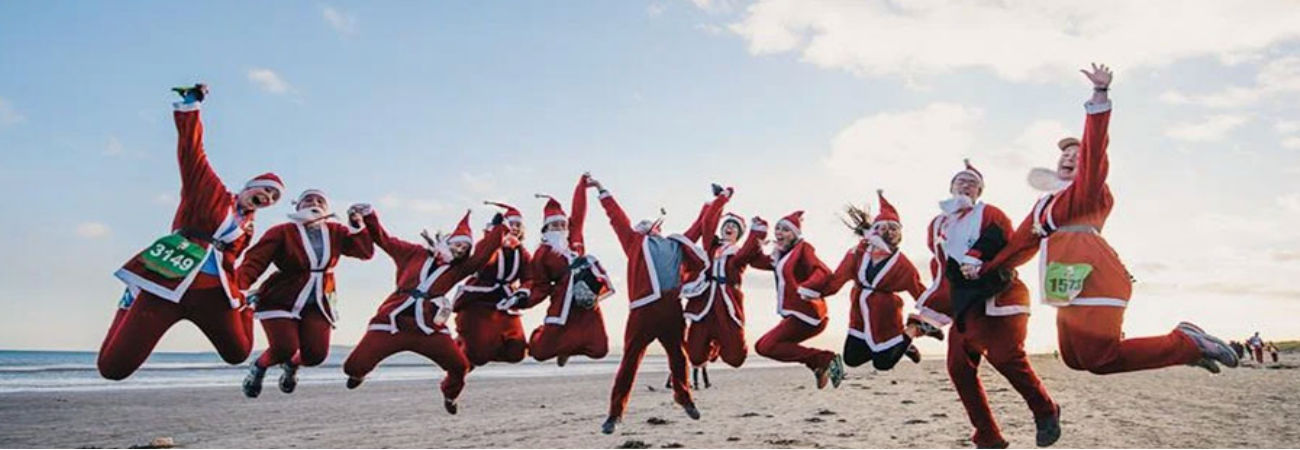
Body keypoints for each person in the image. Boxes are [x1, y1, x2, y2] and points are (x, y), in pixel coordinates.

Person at [982, 63, 1239, 376]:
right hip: (1065, 282)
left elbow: (1094, 151)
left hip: (1097, 277)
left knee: (1099, 359)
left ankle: (1186, 343)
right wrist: (984, 270)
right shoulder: (1043, 206)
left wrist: (1099, 96)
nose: (1069, 157)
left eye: (1077, 155)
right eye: (1064, 154)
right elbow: (1021, 244)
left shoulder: (1089, 191)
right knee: (1075, 359)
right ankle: (1182, 348)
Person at [99, 84, 284, 380]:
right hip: (167, 281)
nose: (269, 198)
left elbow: (232, 265)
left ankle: (247, 307)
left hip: (212, 294)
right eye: (267, 190)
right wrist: (191, 106)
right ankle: (129, 301)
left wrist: (240, 296)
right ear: (249, 186)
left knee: (237, 353)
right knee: (112, 369)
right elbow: (192, 151)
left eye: (275, 199)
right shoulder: (209, 190)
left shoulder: (246, 229)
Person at [928, 159, 1060, 448]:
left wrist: (977, 255)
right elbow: (940, 268)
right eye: (960, 180)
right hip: (965, 303)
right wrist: (930, 313)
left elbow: (1003, 238)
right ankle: (987, 434)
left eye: (972, 182)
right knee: (958, 368)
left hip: (1000, 295)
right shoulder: (938, 224)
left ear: (980, 191)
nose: (965, 185)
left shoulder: (990, 212)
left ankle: (1045, 409)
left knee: (1005, 357)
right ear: (951, 187)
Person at [342, 208, 506, 414]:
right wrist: (368, 216)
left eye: (465, 247)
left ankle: (450, 394)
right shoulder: (413, 253)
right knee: (352, 366)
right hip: (392, 323)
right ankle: (358, 374)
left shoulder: (459, 269)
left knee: (459, 366)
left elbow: (484, 254)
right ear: (447, 241)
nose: (460, 249)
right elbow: (384, 239)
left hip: (428, 328)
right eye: (458, 243)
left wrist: (498, 228)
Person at [589, 175, 709, 434]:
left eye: (647, 222)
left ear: (657, 226)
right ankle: (615, 414)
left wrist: (711, 204)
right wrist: (601, 189)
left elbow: (698, 227)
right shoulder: (633, 241)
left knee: (679, 356)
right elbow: (616, 218)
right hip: (642, 310)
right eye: (639, 223)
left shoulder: (675, 244)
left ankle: (683, 396)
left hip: (671, 308)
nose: (642, 224)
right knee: (630, 362)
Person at [235, 190, 373, 397]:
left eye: (320, 200)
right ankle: (259, 367)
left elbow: (365, 252)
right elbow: (255, 261)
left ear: (326, 209)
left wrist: (356, 226)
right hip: (281, 296)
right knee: (284, 347)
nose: (314, 202)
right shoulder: (281, 231)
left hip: (320, 297)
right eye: (308, 200)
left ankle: (291, 366)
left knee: (316, 355)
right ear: (298, 207)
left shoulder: (336, 231)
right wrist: (237, 288)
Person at [801, 190, 941, 372]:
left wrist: (937, 314)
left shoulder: (903, 265)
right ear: (874, 231)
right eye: (883, 228)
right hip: (859, 310)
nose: (889, 232)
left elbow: (919, 292)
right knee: (852, 359)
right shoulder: (856, 254)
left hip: (886, 313)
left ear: (900, 235)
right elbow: (837, 281)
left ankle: (912, 330)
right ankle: (901, 346)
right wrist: (815, 292)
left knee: (883, 364)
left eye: (894, 229)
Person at [678, 184, 766, 387]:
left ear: (739, 234)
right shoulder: (710, 246)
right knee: (695, 356)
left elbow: (752, 247)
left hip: (727, 307)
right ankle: (710, 345)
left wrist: (756, 230)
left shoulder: (739, 253)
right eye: (727, 224)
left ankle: (718, 343)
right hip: (704, 302)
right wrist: (723, 198)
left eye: (735, 227)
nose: (730, 228)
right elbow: (708, 221)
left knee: (736, 358)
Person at [524, 174, 615, 366]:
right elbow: (540, 285)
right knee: (539, 353)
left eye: (563, 224)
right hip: (562, 302)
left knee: (600, 350)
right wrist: (524, 301)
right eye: (555, 225)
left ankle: (568, 350)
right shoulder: (541, 253)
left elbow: (579, 211)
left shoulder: (574, 239)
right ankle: (543, 335)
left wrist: (583, 186)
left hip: (584, 298)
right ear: (546, 228)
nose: (560, 227)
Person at [749, 211, 846, 389]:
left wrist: (807, 287)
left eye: (785, 230)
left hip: (808, 315)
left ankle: (824, 359)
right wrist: (756, 233)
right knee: (766, 346)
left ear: (795, 234)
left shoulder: (803, 249)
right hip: (796, 316)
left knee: (765, 346)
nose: (779, 232)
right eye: (777, 229)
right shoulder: (780, 256)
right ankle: (817, 364)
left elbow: (822, 271)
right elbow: (754, 260)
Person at [453, 202, 532, 368]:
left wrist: (523, 292)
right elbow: (484, 260)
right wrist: (495, 236)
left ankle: (476, 347)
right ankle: (462, 349)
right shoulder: (487, 244)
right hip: (479, 300)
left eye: (518, 225)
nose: (515, 228)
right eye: (511, 224)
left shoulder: (521, 252)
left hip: (505, 302)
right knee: (478, 356)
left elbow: (529, 277)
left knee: (516, 353)